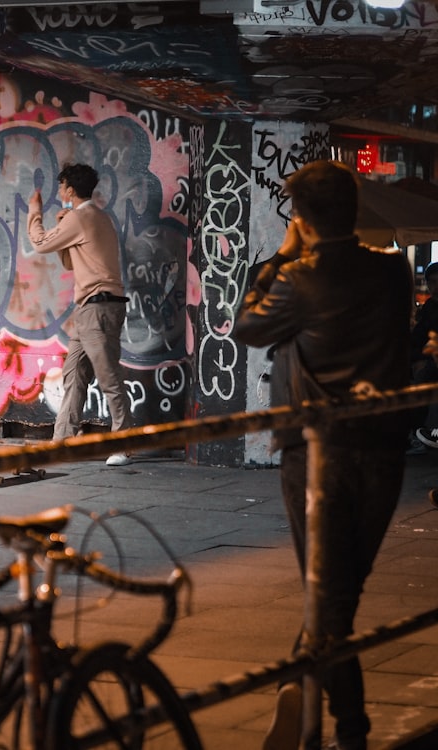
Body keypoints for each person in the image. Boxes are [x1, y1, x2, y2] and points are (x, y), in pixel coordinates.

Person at [234, 160, 413, 750]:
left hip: (315, 454)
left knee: (328, 598)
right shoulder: (393, 276)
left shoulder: (297, 278)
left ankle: (347, 730)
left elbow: (248, 326)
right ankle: (303, 697)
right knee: (342, 591)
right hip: (383, 451)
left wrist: (284, 255)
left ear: (302, 221)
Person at [27, 162, 132, 466]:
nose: (58, 192)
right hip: (92, 309)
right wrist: (64, 226)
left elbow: (40, 242)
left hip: (98, 309)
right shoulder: (97, 217)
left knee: (109, 377)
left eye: (61, 187)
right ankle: (62, 443)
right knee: (74, 376)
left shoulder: (81, 217)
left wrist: (34, 212)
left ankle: (125, 444)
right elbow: (73, 263)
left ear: (70, 190)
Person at [411, 261, 438, 449]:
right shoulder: (430, 307)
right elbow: (417, 338)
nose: (436, 287)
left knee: (423, 376)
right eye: (432, 282)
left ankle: (420, 431)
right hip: (429, 357)